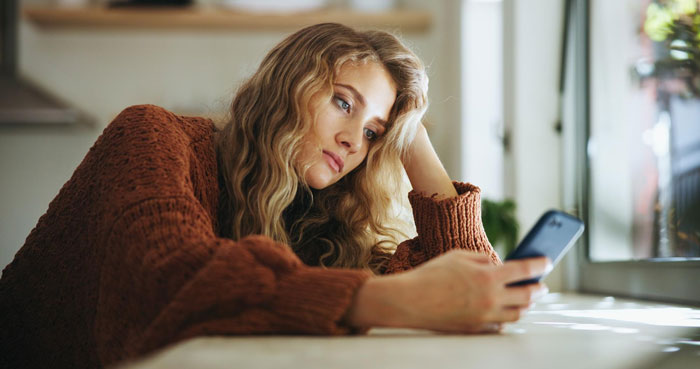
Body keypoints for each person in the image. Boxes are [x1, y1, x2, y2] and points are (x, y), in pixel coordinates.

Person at [0, 23, 550, 369]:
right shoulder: (152, 134)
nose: (353, 140)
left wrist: (413, 140)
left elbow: (474, 283)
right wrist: (383, 300)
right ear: (289, 84)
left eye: (375, 132)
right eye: (342, 102)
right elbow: (168, 276)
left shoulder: (317, 215)